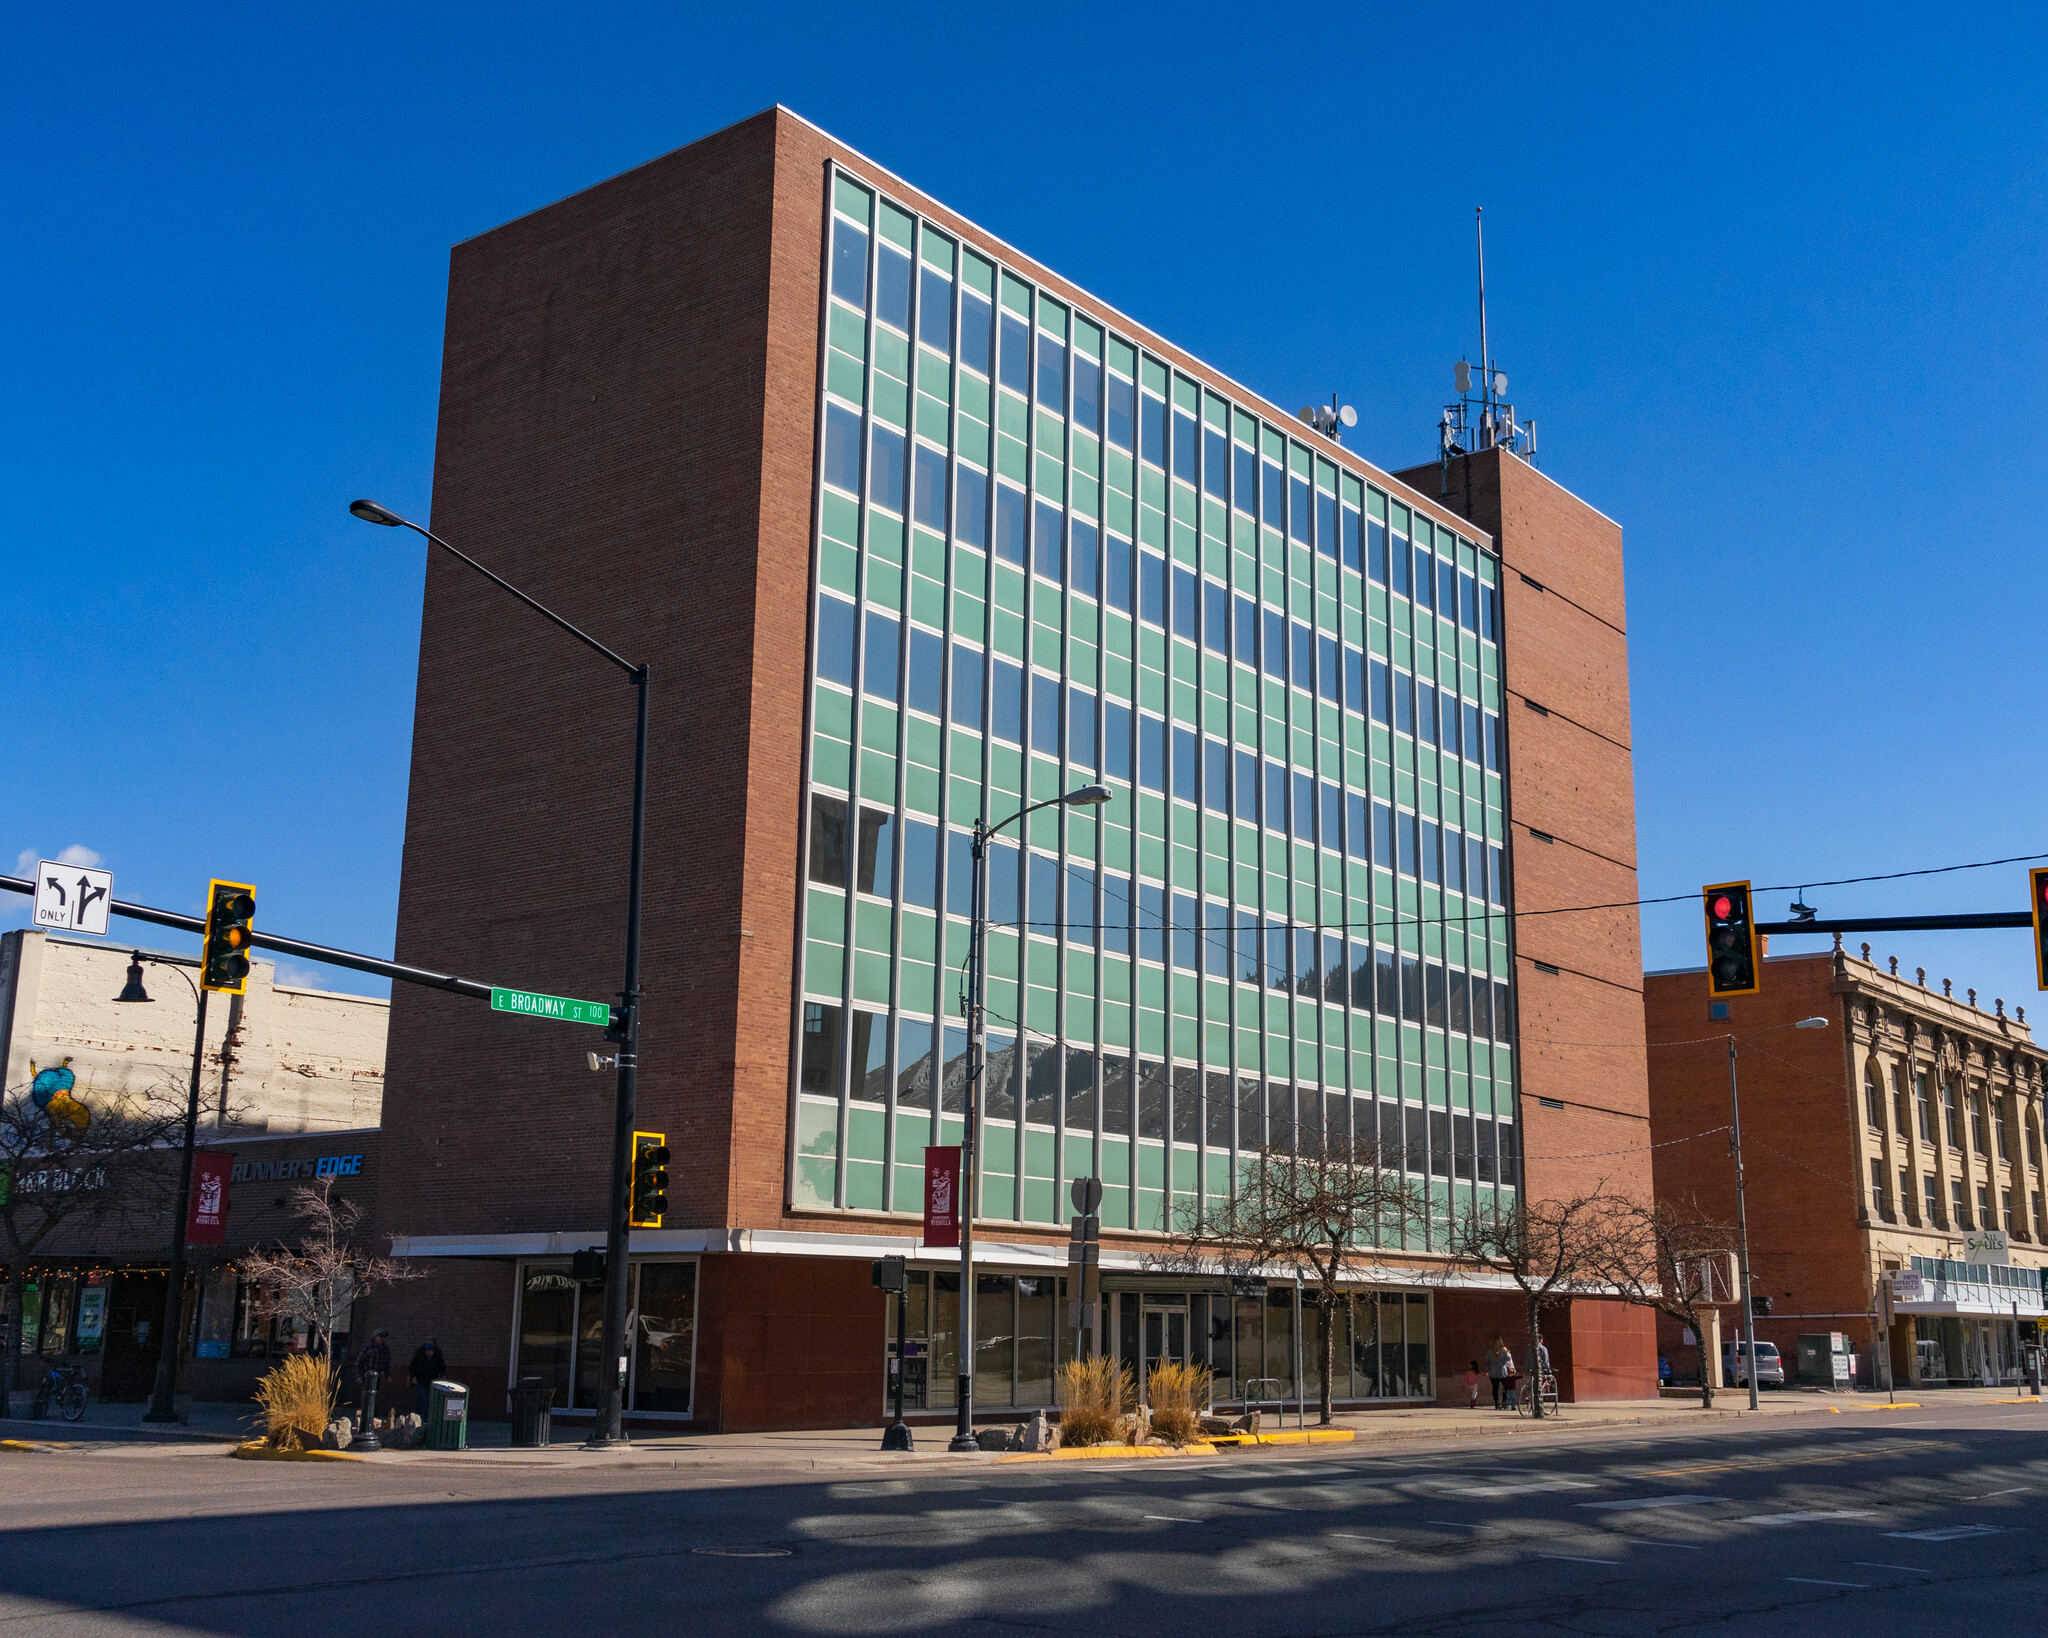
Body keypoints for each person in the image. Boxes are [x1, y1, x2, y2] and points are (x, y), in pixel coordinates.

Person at [354, 1329, 392, 1422]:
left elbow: (387, 1363)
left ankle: (372, 1416)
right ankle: (365, 1416)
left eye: (384, 1337)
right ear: (375, 1337)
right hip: (366, 1376)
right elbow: (358, 1362)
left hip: (377, 1376)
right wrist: (358, 1375)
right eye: (381, 1336)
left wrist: (388, 1375)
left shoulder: (385, 1348)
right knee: (366, 1396)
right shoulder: (368, 1346)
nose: (383, 1339)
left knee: (374, 1395)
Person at [408, 1337, 447, 1419]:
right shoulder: (420, 1354)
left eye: (430, 1342)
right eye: (427, 1342)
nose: (428, 1344)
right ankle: (422, 1419)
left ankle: (420, 1418)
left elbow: (442, 1367)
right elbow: (412, 1366)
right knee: (423, 1399)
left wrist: (443, 1375)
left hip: (432, 1382)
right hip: (421, 1381)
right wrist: (413, 1376)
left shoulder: (437, 1355)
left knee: (426, 1401)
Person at [1484, 1337, 1514, 1410]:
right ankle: (1504, 1403)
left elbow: (1486, 1362)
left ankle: (1496, 1404)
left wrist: (1488, 1368)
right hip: (1502, 1372)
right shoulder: (1503, 1350)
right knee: (1505, 1388)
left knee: (1495, 1388)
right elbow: (1508, 1359)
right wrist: (1508, 1353)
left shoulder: (1490, 1351)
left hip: (1493, 1373)